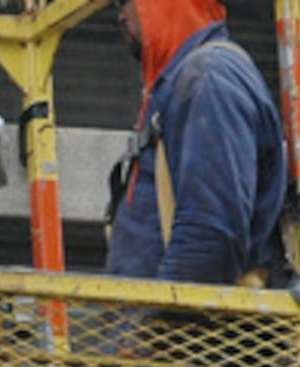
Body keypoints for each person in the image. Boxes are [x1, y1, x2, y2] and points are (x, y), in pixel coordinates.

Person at [104, 0, 287, 287]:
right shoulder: (181, 84)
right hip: (160, 323)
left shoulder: (208, 78)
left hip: (181, 326)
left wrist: (159, 327)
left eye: (125, 1)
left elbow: (209, 238)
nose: (119, 15)